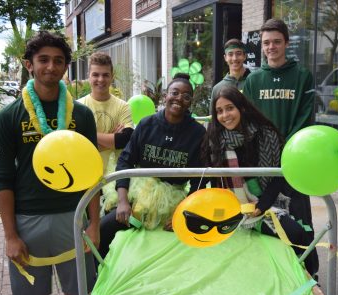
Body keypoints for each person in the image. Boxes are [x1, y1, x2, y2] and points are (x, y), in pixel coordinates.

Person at [0, 31, 99, 295]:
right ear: (30, 65)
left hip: (73, 216)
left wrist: (94, 223)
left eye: (58, 61)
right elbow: (3, 179)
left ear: (65, 66)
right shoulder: (9, 117)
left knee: (78, 293)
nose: (51, 67)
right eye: (43, 60)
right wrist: (10, 236)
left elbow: (92, 173)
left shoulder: (82, 115)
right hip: (28, 219)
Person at [202, 85, 317, 275]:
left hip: (268, 202)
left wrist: (262, 205)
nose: (225, 115)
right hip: (231, 206)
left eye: (230, 108)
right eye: (219, 111)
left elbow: (278, 175)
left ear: (242, 108)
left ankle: (312, 277)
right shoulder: (214, 139)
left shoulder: (266, 133)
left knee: (297, 234)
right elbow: (212, 181)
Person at [98, 73, 206, 258]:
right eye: (175, 92)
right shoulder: (147, 124)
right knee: (103, 229)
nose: (179, 98)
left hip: (175, 201)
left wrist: (184, 213)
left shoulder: (198, 133)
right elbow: (125, 161)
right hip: (138, 195)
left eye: (186, 96)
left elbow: (199, 181)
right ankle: (101, 278)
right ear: (166, 95)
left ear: (190, 102)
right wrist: (123, 201)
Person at [243, 18, 318, 276]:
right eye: (266, 43)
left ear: (286, 43)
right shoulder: (253, 80)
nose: (271, 47)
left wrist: (286, 149)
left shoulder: (303, 76)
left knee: (299, 220)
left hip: (294, 161)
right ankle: (272, 274)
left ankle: (310, 272)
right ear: (261, 47)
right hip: (264, 164)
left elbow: (306, 117)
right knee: (268, 220)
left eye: (276, 41)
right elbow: (249, 120)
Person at [77, 52, 134, 213]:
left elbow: (125, 140)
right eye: (95, 75)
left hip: (114, 180)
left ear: (112, 77)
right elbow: (77, 146)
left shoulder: (123, 106)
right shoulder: (78, 107)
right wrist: (111, 139)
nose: (100, 80)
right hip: (85, 178)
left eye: (105, 75)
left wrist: (89, 135)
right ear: (88, 76)